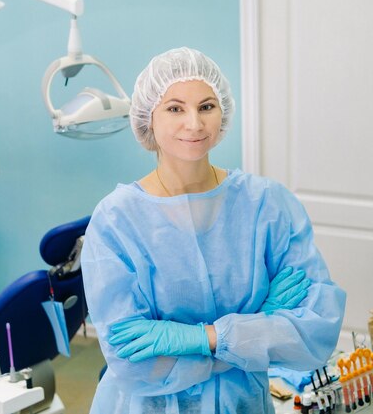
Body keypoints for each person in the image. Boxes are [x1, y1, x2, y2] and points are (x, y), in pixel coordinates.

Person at [80, 47, 346, 414]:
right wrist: (252, 333)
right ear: (147, 118)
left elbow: (316, 329)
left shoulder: (266, 204)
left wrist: (206, 337)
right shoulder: (115, 221)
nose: (194, 123)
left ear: (222, 113)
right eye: (175, 108)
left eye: (206, 106)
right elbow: (132, 365)